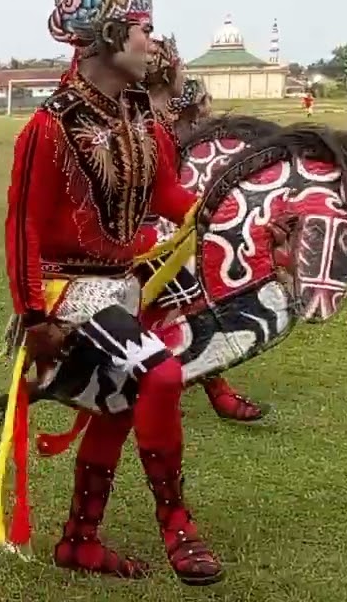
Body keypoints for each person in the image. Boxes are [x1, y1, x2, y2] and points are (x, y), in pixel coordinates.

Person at [5, 0, 222, 585]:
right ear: (109, 36)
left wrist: (225, 204)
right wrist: (33, 317)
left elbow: (168, 197)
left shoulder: (137, 119)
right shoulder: (48, 127)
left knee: (120, 405)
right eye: (144, 30)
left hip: (121, 291)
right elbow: (22, 227)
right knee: (158, 377)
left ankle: (79, 541)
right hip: (65, 294)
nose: (153, 43)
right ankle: (176, 522)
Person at [142, 41, 265, 422]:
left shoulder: (164, 121)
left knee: (187, 305)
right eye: (200, 113)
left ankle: (205, 385)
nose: (205, 119)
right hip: (140, 234)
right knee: (182, 306)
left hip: (166, 222)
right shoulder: (148, 123)